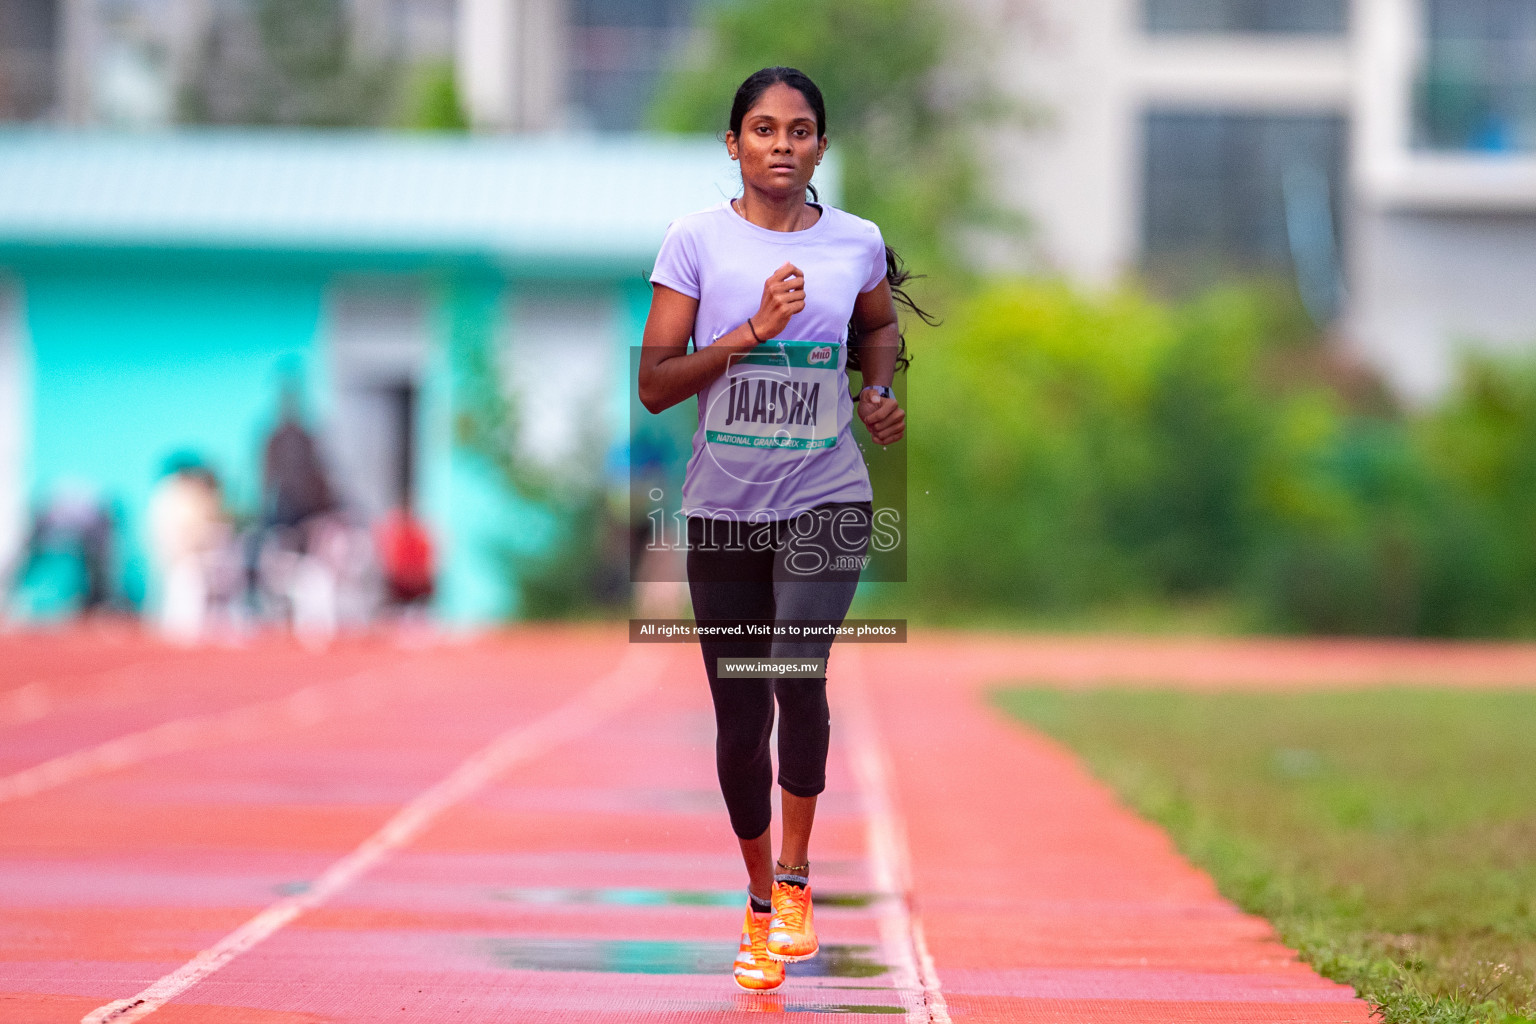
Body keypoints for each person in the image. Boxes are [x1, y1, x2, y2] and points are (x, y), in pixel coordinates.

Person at [638, 66, 923, 992]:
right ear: (734, 144)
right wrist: (751, 333)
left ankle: (797, 880)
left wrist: (879, 392)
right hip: (723, 510)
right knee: (739, 710)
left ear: (821, 148)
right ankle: (759, 899)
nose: (782, 145)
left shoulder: (857, 242)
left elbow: (878, 328)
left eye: (799, 131)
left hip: (826, 497)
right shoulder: (695, 242)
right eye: (763, 130)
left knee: (798, 667)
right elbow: (655, 384)